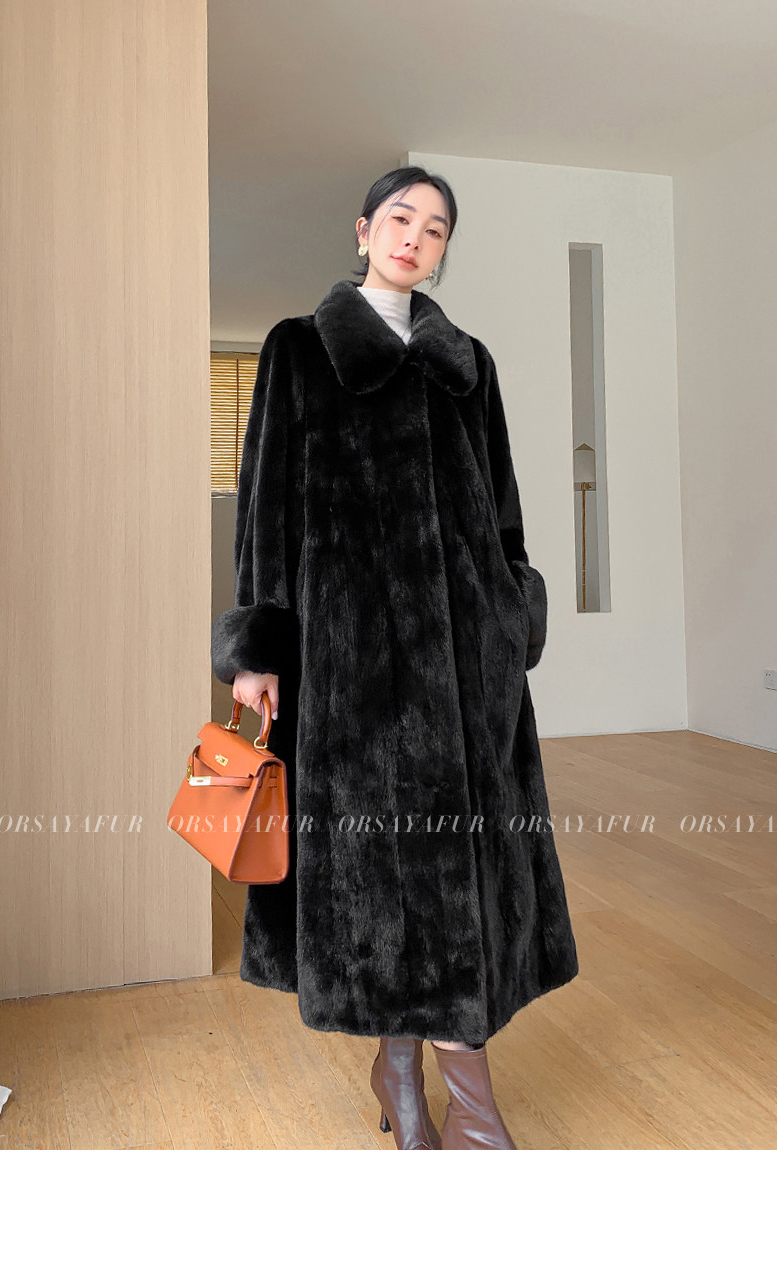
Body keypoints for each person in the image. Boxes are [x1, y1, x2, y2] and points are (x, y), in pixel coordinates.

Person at [211, 166, 579, 1150]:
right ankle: (424, 1089)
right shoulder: (300, 349)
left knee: (463, 876)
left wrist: (512, 614)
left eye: (437, 227)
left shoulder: (468, 366)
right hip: (352, 666)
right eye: (401, 218)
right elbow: (265, 508)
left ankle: (447, 1096)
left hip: (468, 664)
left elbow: (503, 512)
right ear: (364, 229)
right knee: (379, 882)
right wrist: (258, 648)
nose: (417, 236)